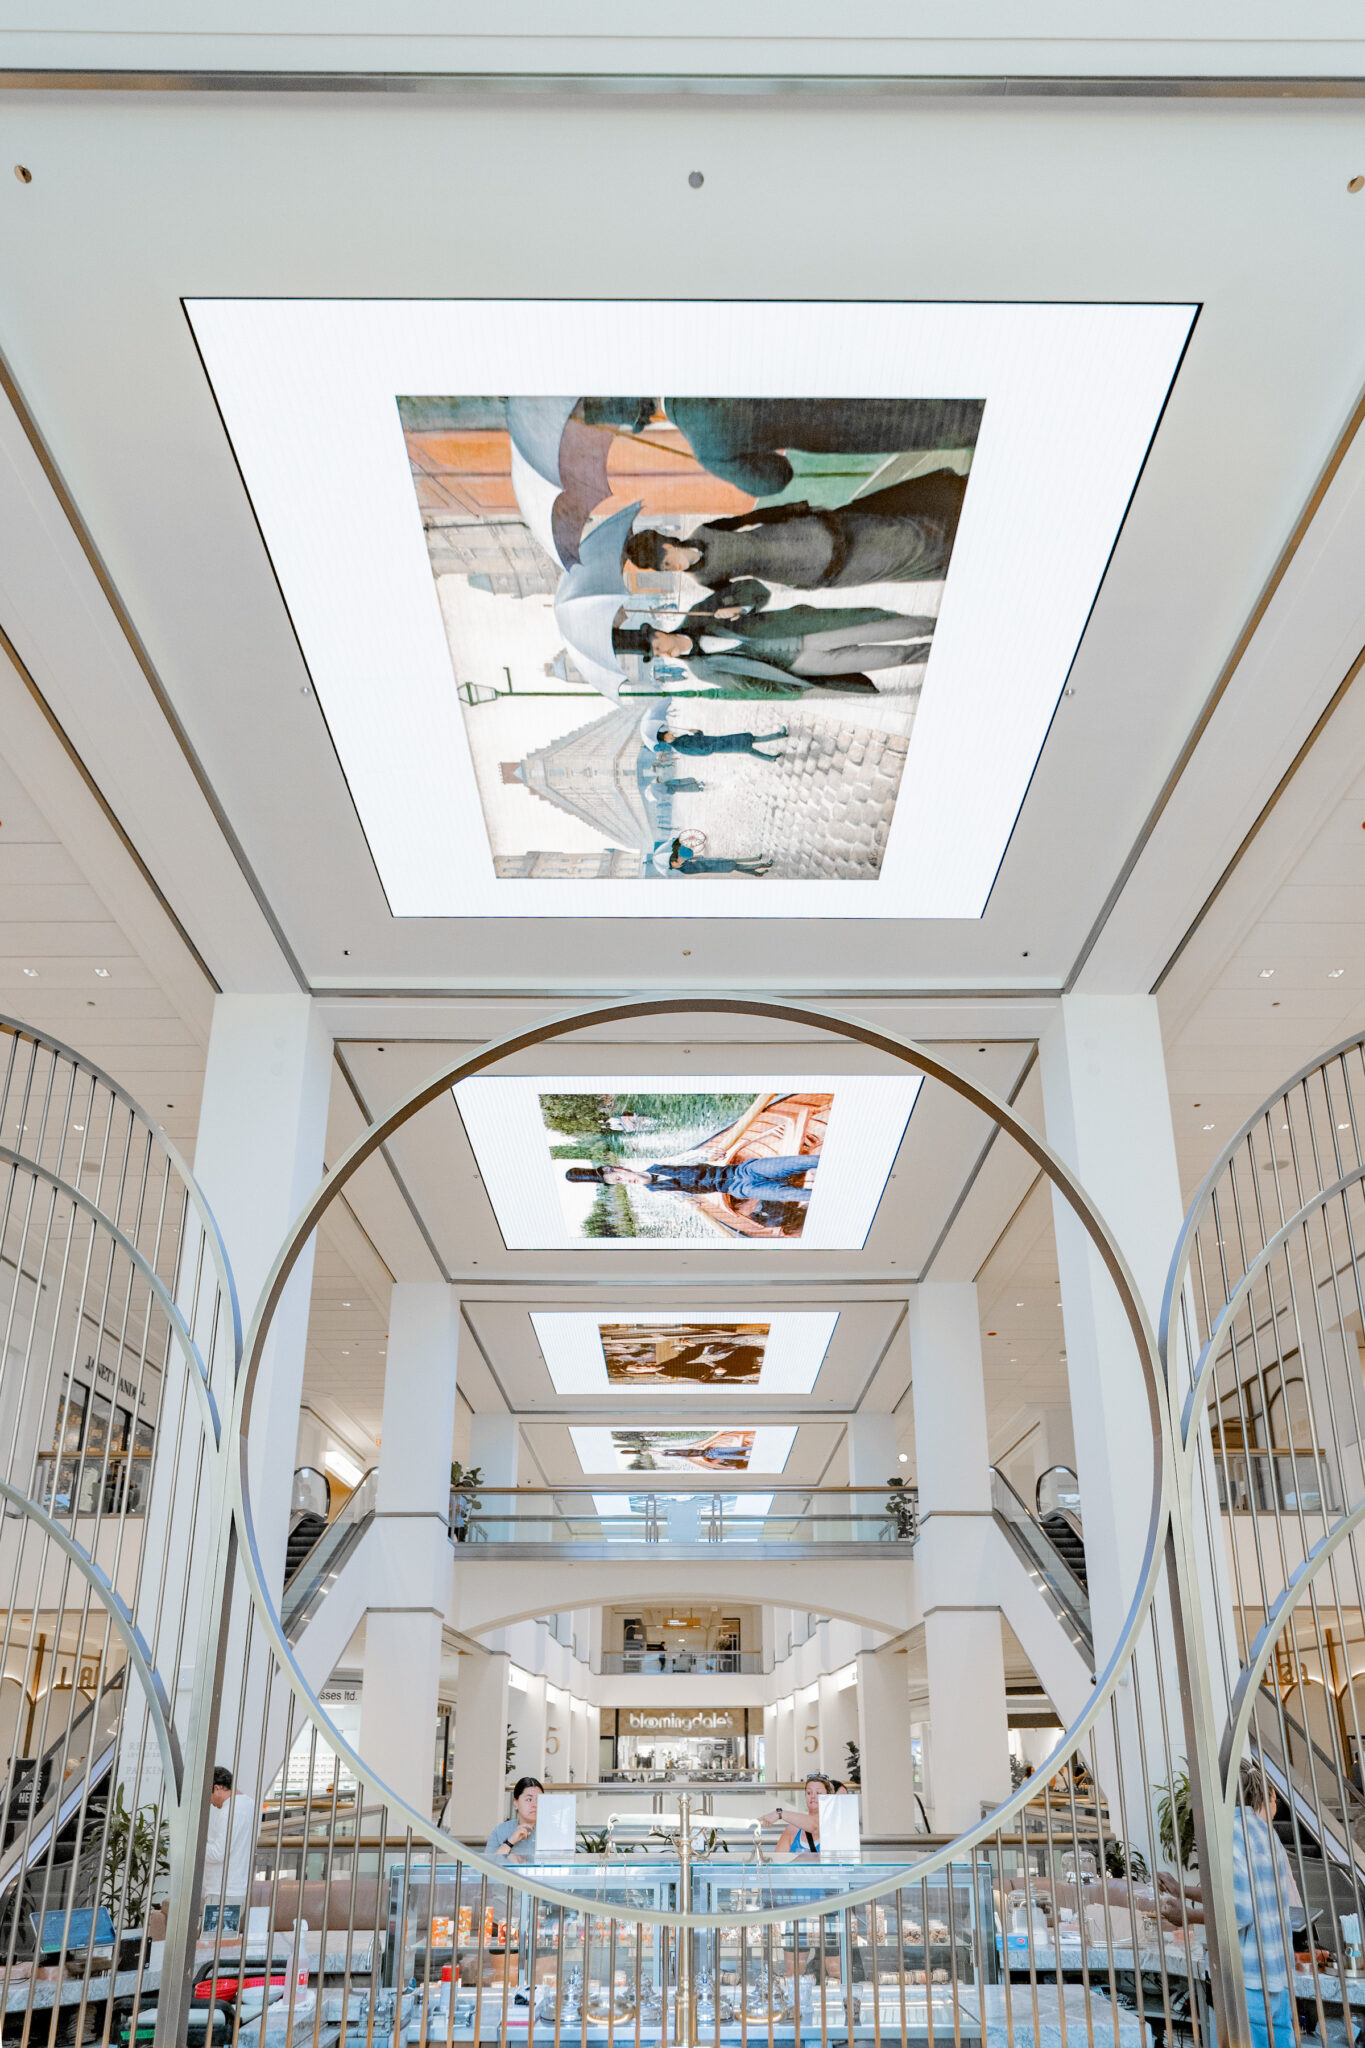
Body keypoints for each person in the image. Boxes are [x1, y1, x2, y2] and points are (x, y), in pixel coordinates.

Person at [623, 469, 967, 592]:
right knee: (898, 562)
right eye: (666, 571)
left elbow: (749, 519)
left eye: (666, 562)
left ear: (667, 544)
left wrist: (794, 510)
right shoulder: (703, 580)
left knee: (899, 531)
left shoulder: (705, 528)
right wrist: (726, 609)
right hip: (808, 570)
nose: (674, 569)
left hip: (809, 532)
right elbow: (746, 597)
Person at [1156, 1762, 1302, 2048]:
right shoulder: (1266, 1834)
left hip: (1248, 1981)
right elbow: (1245, 1895)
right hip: (1277, 1978)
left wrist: (1186, 1916)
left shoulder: (1230, 1833)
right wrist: (1182, 1889)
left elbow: (1239, 1911)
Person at [615, 583, 933, 695]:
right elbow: (748, 686)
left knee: (897, 627)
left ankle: (942, 626)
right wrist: (791, 684)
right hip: (802, 664)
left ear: (659, 632)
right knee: (892, 658)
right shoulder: (701, 672)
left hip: (809, 628)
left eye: (657, 647)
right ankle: (935, 655)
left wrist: (740, 607)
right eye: (655, 656)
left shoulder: (701, 613)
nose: (663, 654)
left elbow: (756, 589)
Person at [201, 1764, 256, 1917]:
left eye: (208, 1795)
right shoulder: (250, 1805)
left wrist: (196, 1846)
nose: (210, 1802)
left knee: (213, 1940)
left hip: (222, 1891)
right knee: (226, 1940)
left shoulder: (229, 1812)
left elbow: (219, 1853)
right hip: (238, 1887)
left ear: (217, 1788)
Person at [762, 1775, 834, 1857]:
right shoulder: (792, 1829)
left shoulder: (831, 1826)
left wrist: (780, 1813)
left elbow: (815, 1826)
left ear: (829, 1797)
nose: (813, 1797)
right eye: (809, 1793)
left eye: (818, 1793)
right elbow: (777, 1862)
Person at [486, 1777, 544, 1864]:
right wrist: (511, 1841)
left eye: (539, 1800)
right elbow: (486, 1866)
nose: (535, 1805)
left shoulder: (551, 1831)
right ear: (516, 1802)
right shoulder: (501, 1830)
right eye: (529, 1799)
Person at [656, 726, 787, 760]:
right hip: (719, 745)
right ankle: (771, 756)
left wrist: (697, 732)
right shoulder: (679, 746)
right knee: (748, 747)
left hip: (719, 740)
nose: (670, 733)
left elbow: (699, 738)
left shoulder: (680, 739)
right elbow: (701, 751)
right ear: (665, 739)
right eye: (667, 734)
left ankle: (779, 736)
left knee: (749, 741)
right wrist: (714, 746)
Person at [668, 839, 773, 877]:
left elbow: (699, 857)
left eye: (675, 859)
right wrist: (693, 861)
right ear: (673, 866)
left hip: (716, 862)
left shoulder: (684, 863)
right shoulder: (685, 869)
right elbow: (701, 867)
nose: (676, 860)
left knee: (738, 863)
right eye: (674, 861)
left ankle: (757, 868)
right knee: (739, 865)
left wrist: (691, 856)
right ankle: (763, 865)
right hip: (716, 866)